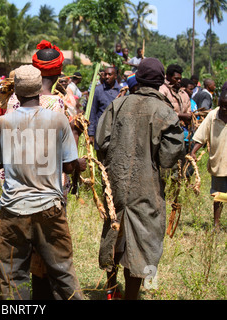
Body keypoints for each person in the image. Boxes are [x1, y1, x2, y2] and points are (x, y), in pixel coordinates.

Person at [0, 64, 83, 300]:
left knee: (13, 276)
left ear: (16, 93)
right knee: (62, 273)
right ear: (40, 89)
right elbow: (69, 167)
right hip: (50, 208)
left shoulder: (4, 123)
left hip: (13, 210)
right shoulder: (58, 121)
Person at [95, 58, 185, 300]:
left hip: (116, 184)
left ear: (139, 78)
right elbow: (170, 156)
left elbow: (101, 142)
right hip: (147, 189)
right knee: (143, 242)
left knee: (113, 234)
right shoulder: (165, 111)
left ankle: (111, 291)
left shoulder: (119, 104)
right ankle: (131, 296)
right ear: (160, 81)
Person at [190, 90, 227, 230]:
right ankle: (216, 225)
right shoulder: (213, 116)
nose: (224, 109)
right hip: (218, 162)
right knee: (218, 196)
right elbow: (201, 136)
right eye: (222, 105)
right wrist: (193, 151)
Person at [88, 66, 121, 153]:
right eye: (105, 74)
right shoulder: (98, 90)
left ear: (115, 76)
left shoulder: (121, 91)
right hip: (101, 130)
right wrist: (91, 133)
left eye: (109, 74)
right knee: (101, 160)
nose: (106, 76)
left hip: (116, 130)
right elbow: (93, 112)